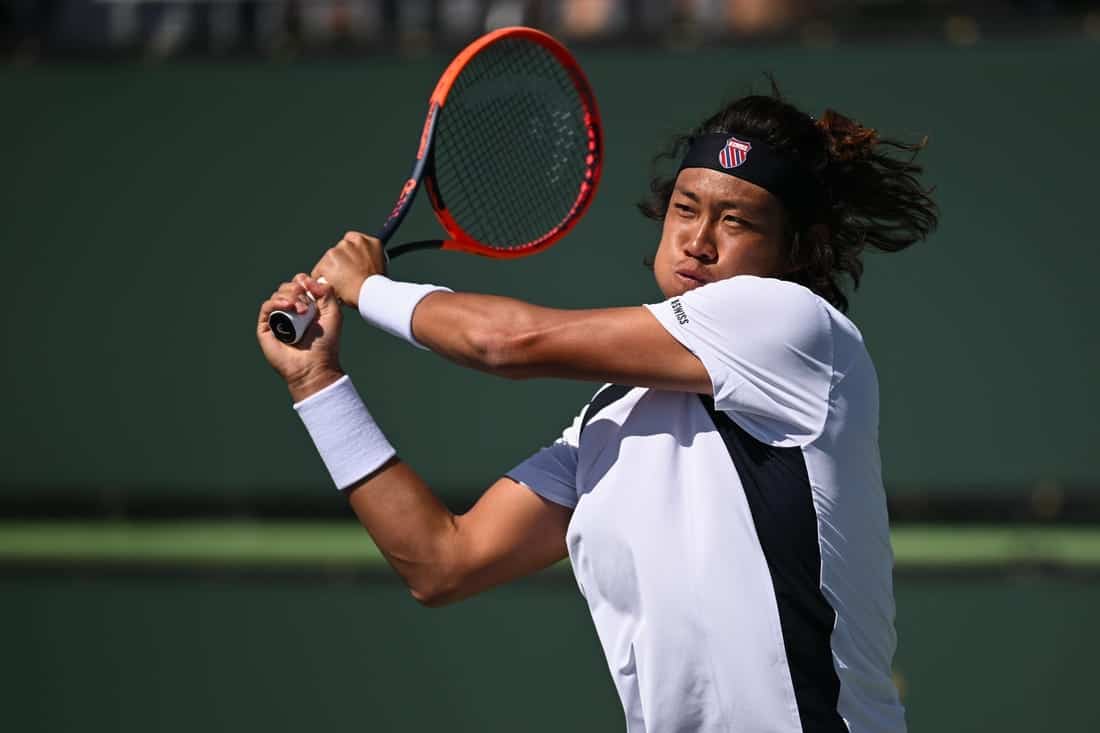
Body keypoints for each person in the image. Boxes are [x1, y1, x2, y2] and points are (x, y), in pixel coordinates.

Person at [256, 87, 937, 732]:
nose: (699, 240)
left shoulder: (794, 324)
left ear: (794, 248)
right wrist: (318, 381)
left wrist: (370, 288)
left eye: (737, 221)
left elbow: (507, 343)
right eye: (686, 208)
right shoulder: (608, 420)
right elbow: (442, 562)